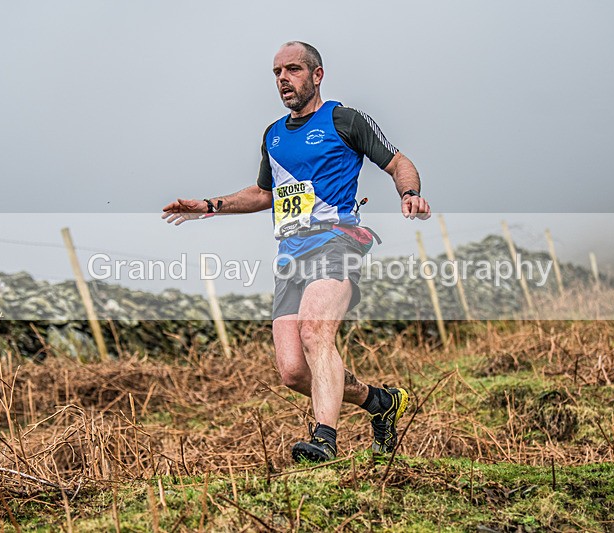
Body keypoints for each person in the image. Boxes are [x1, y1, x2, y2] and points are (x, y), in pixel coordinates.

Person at [162, 41, 431, 463]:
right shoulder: (272, 135)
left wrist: (410, 193)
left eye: (292, 70)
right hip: (290, 256)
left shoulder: (344, 119)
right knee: (292, 370)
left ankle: (324, 438)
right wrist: (211, 206)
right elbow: (264, 194)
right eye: (276, 72)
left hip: (338, 242)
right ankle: (379, 403)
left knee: (314, 332)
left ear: (316, 75)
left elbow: (399, 163)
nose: (283, 79)